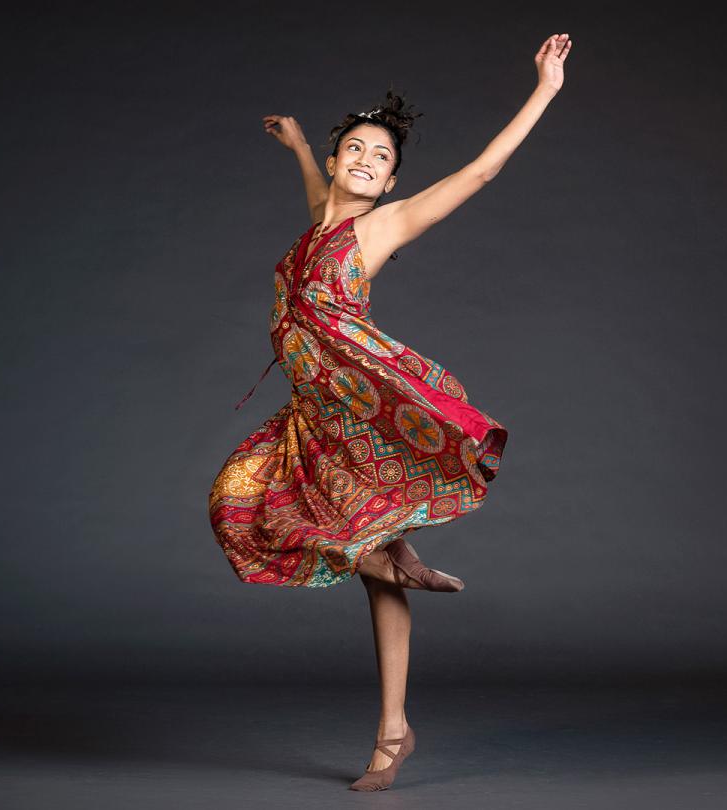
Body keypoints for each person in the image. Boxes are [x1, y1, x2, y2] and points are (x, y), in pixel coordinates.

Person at [208, 32, 571, 791]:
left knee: (320, 535)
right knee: (237, 502)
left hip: (363, 408)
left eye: (383, 157)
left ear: (392, 180)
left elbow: (481, 171)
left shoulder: (383, 226)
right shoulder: (321, 223)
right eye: (357, 150)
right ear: (338, 160)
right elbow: (320, 199)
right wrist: (300, 146)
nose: (370, 161)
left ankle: (390, 718)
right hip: (313, 416)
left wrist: (545, 89)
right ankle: (394, 677)